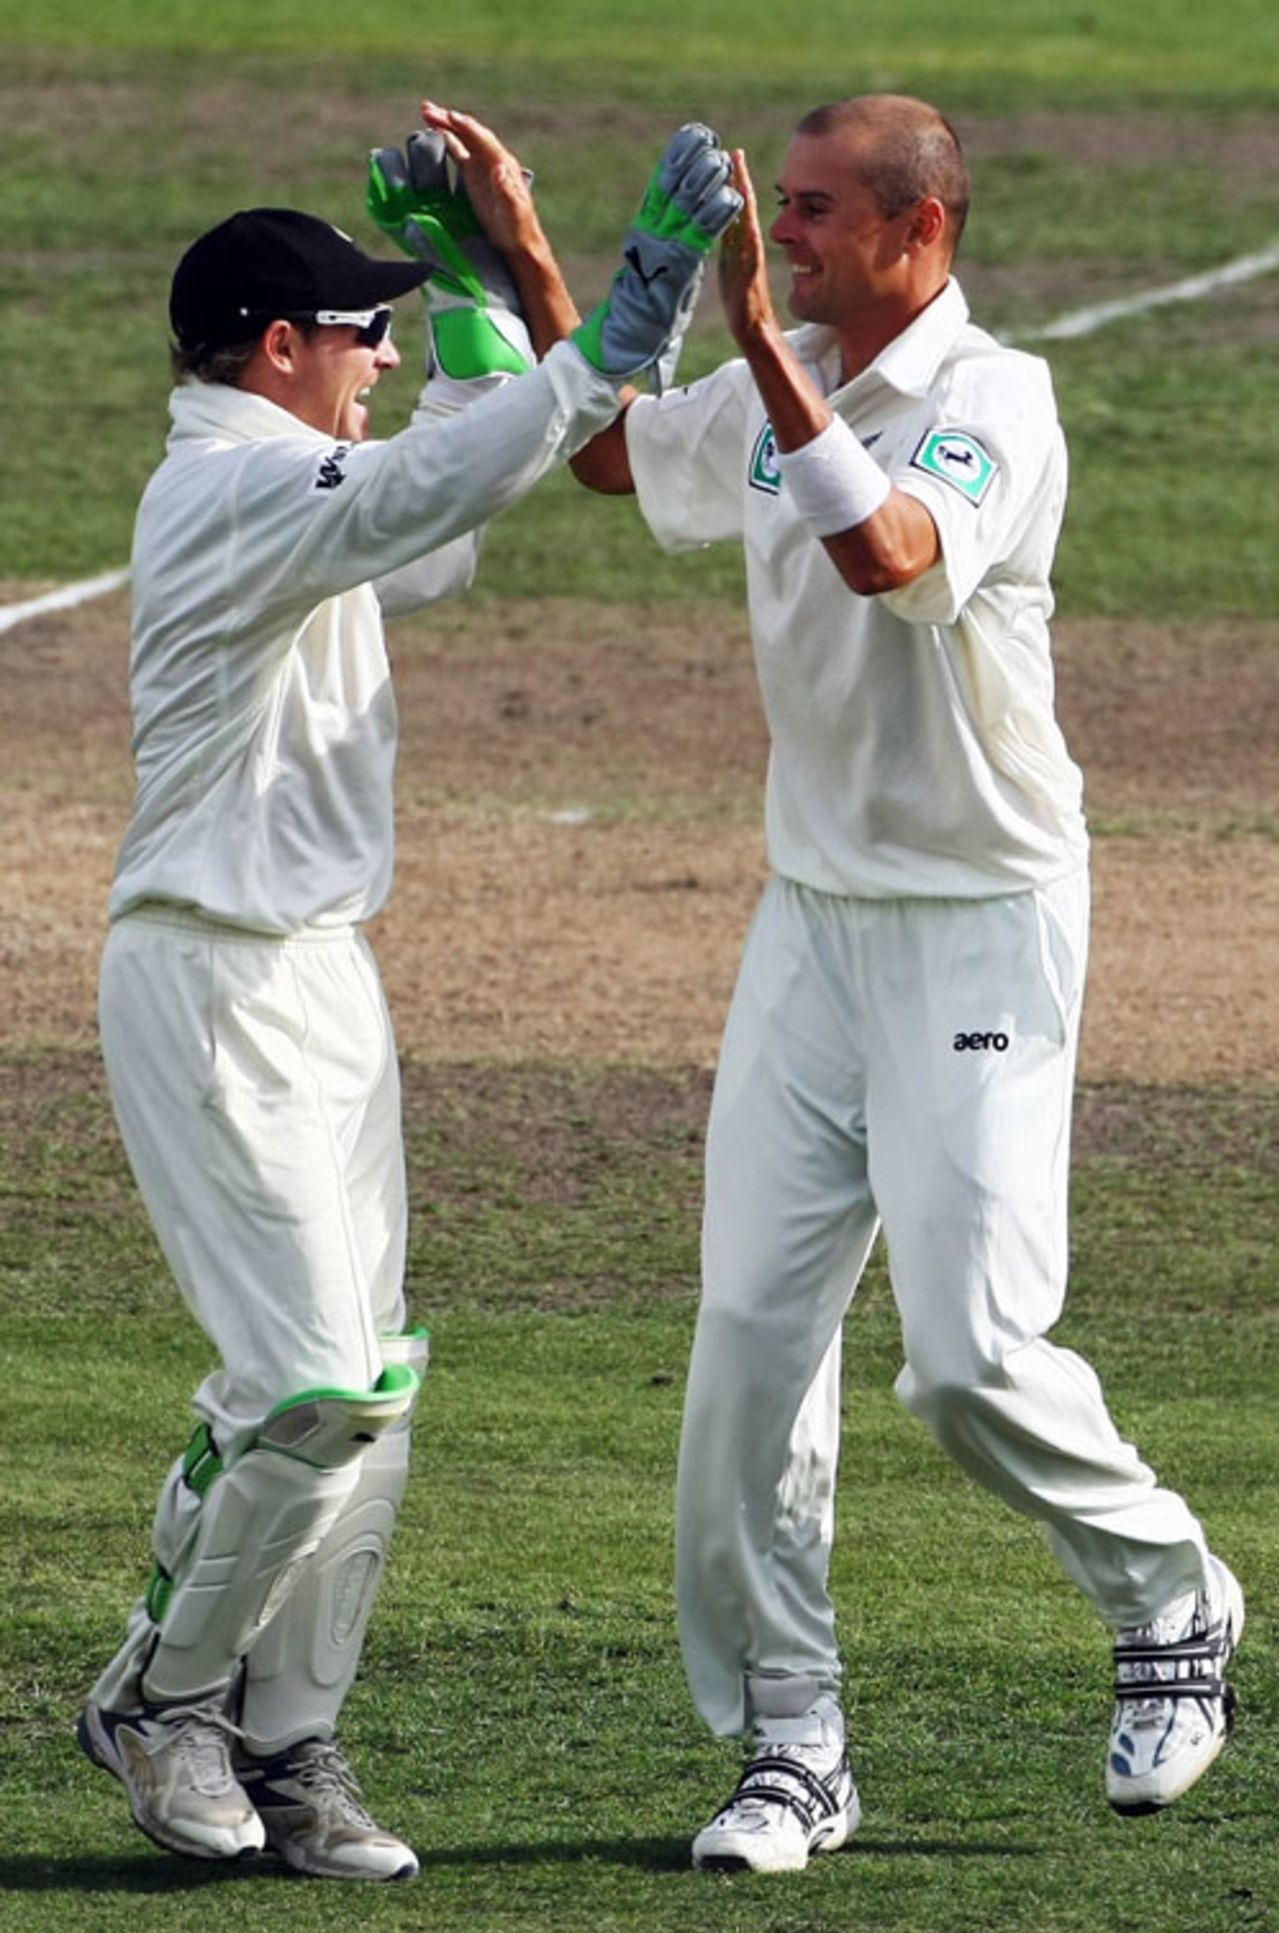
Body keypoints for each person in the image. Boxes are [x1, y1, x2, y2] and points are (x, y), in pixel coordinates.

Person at [571, 93, 1243, 1874]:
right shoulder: (781, 358)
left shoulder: (992, 401)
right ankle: (793, 1746)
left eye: (811, 212)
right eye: (773, 210)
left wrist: (748, 358)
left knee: (966, 1361)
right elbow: (607, 462)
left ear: (919, 231)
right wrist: (543, 269)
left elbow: (892, 564)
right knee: (746, 1362)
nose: (779, 236)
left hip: (979, 917)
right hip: (812, 920)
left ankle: (1171, 1590)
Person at [77, 104, 739, 1881]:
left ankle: (287, 1745)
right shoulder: (226, 482)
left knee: (374, 1382)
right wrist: (615, 336)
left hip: (322, 983)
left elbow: (433, 525)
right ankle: (160, 1696)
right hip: (208, 972)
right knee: (307, 1381)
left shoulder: (302, 486)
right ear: (274, 349)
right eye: (361, 326)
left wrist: (462, 298)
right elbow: (429, 487)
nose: (377, 355)